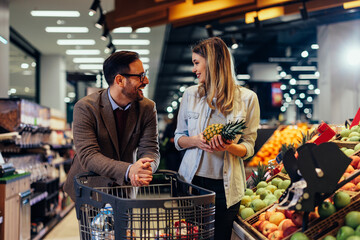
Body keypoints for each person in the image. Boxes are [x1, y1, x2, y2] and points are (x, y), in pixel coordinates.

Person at [174, 37, 260, 240]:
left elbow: (248, 146)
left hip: (226, 188)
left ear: (212, 62)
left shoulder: (247, 99)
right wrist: (195, 141)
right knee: (192, 236)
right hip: (192, 183)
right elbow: (178, 139)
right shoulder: (190, 95)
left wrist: (229, 146)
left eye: (196, 63)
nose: (194, 69)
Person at [64, 51, 160, 202]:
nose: (146, 80)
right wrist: (129, 170)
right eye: (140, 76)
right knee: (92, 227)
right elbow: (88, 156)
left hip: (125, 190)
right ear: (120, 80)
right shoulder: (86, 108)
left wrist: (144, 167)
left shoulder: (147, 108)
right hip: (91, 188)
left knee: (124, 226)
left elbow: (150, 148)